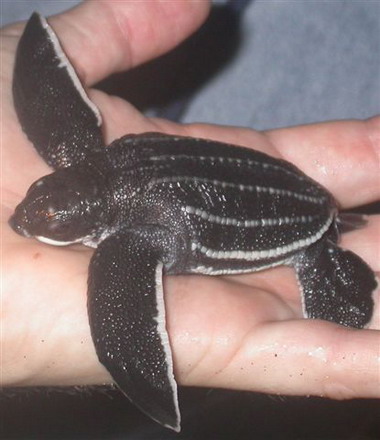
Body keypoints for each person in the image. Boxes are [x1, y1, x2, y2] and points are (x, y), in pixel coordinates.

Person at [1, 0, 379, 402]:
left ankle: (322, 254)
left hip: (297, 223)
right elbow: (42, 96)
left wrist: (143, 379)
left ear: (96, 225)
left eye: (56, 225)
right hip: (272, 177)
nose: (22, 222)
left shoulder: (128, 240)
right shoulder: (81, 159)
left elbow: (123, 321)